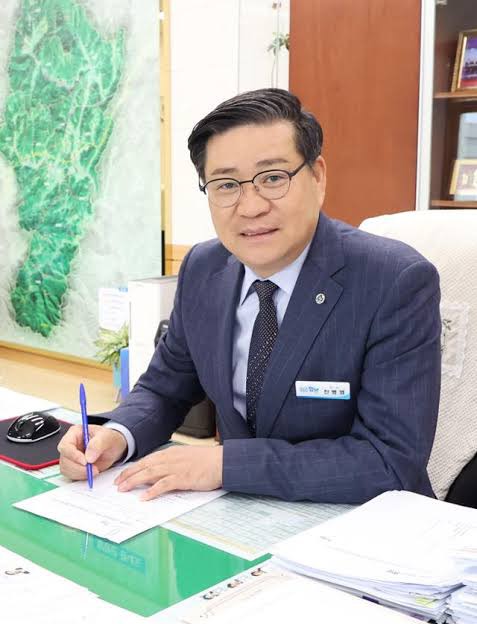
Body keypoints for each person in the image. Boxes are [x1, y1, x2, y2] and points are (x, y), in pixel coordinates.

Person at [58, 88, 441, 504]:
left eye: (273, 178)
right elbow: (164, 389)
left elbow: (389, 461)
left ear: (317, 177)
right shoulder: (203, 268)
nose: (251, 207)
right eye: (226, 185)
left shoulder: (394, 281)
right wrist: (117, 434)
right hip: (238, 515)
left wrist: (225, 465)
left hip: (357, 522)